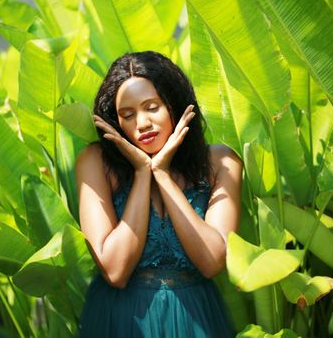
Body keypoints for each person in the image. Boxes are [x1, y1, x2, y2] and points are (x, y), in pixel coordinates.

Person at [75, 51, 242, 337]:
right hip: (121, 321)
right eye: (127, 115)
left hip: (196, 319)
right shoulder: (96, 163)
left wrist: (162, 175)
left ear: (175, 105)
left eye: (152, 107)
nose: (141, 124)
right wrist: (142, 174)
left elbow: (212, 261)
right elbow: (115, 271)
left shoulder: (220, 162)